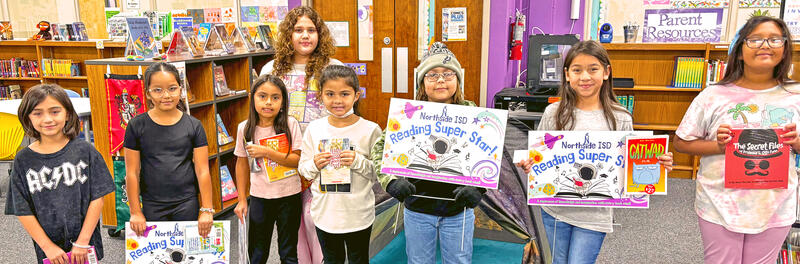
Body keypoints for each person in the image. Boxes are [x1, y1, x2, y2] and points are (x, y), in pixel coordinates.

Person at [516, 40, 674, 264]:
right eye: (577, 70)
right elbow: (538, 155)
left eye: (593, 69)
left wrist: (656, 163)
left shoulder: (620, 118)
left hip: (595, 213)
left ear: (606, 72)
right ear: (567, 75)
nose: (585, 77)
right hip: (555, 209)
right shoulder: (554, 113)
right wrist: (529, 163)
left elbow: (632, 166)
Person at [674, 16, 800, 264]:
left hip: (774, 204)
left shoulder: (795, 94)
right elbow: (681, 142)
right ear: (739, 51)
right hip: (720, 203)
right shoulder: (714, 95)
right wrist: (717, 145)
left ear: (785, 48)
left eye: (775, 39)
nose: (765, 45)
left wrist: (796, 142)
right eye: (755, 40)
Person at [372, 42, 485, 264]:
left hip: (458, 210)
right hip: (418, 208)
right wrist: (391, 181)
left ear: (458, 79)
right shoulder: (409, 114)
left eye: (448, 74)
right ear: (422, 82)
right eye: (432, 75)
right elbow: (379, 149)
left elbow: (490, 155)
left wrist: (479, 188)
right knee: (419, 261)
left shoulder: (474, 115)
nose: (441, 80)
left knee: (459, 261)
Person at [260, 6, 342, 263]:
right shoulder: (271, 69)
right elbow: (262, 113)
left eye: (311, 30)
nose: (305, 36)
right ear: (288, 35)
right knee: (291, 222)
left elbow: (345, 109)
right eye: (298, 30)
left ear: (320, 34)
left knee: (321, 217)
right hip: (285, 153)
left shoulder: (334, 67)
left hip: (327, 152)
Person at [8, 84, 114, 264]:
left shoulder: (86, 151)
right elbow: (21, 209)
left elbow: (97, 198)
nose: (47, 119)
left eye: (55, 111)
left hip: (85, 243)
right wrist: (47, 247)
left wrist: (82, 242)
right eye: (38, 113)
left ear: (68, 114)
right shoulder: (23, 160)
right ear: (28, 118)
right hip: (49, 249)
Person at [298, 65, 382, 264]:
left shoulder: (370, 130)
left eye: (344, 94)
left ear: (356, 95)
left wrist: (358, 161)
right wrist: (315, 164)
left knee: (358, 259)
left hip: (358, 214)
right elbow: (303, 169)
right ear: (321, 96)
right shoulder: (315, 129)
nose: (337, 100)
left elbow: (378, 173)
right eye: (330, 94)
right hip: (325, 214)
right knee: (331, 259)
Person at [124, 62, 214, 237]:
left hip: (187, 202)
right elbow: (132, 172)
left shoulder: (194, 125)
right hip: (152, 203)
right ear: (148, 93)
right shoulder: (136, 126)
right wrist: (135, 211)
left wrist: (207, 209)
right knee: (156, 255)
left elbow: (202, 169)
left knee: (187, 253)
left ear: (180, 90)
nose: (166, 95)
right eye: (157, 90)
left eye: (172, 88)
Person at [233, 75, 303, 264]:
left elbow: (297, 160)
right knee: (257, 251)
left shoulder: (290, 124)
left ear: (283, 101)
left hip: (289, 195)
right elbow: (241, 164)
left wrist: (266, 152)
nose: (268, 102)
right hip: (260, 197)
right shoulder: (245, 128)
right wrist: (241, 199)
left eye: (275, 97)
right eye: (262, 96)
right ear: (252, 97)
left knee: (288, 251)